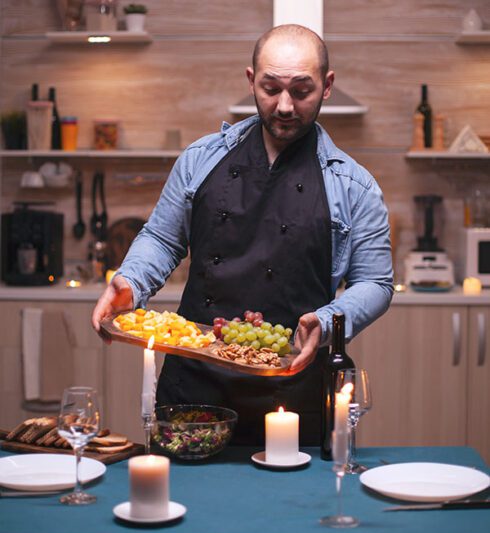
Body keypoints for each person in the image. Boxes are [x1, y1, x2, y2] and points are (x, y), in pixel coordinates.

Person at [92, 24, 393, 445]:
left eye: (301, 91)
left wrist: (326, 323)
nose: (284, 106)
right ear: (251, 80)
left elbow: (376, 282)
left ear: (327, 86)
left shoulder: (355, 186)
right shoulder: (199, 159)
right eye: (271, 88)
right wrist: (131, 281)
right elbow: (162, 238)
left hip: (294, 387)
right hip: (194, 384)